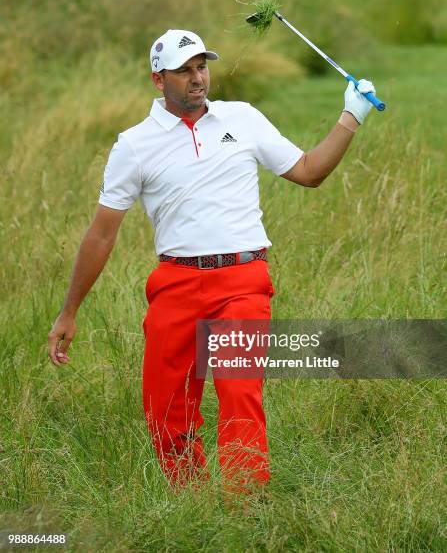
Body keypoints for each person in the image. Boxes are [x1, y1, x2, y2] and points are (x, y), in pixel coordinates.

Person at [48, 29, 376, 491]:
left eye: (201, 66)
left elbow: (308, 172)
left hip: (243, 281)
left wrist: (350, 116)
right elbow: (102, 233)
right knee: (166, 409)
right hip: (176, 285)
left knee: (240, 395)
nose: (197, 78)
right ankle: (192, 504)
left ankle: (243, 512)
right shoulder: (134, 145)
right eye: (183, 70)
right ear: (158, 80)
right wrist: (69, 311)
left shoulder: (241, 119)